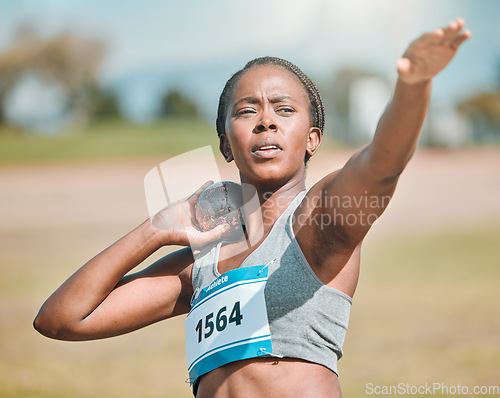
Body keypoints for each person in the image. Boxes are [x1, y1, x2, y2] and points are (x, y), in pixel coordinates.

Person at [34, 19, 471, 397]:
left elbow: (381, 164)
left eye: (284, 109)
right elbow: (61, 320)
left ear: (311, 139)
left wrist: (413, 87)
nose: (266, 120)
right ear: (226, 143)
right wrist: (158, 229)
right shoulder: (199, 264)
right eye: (247, 111)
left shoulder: (318, 220)